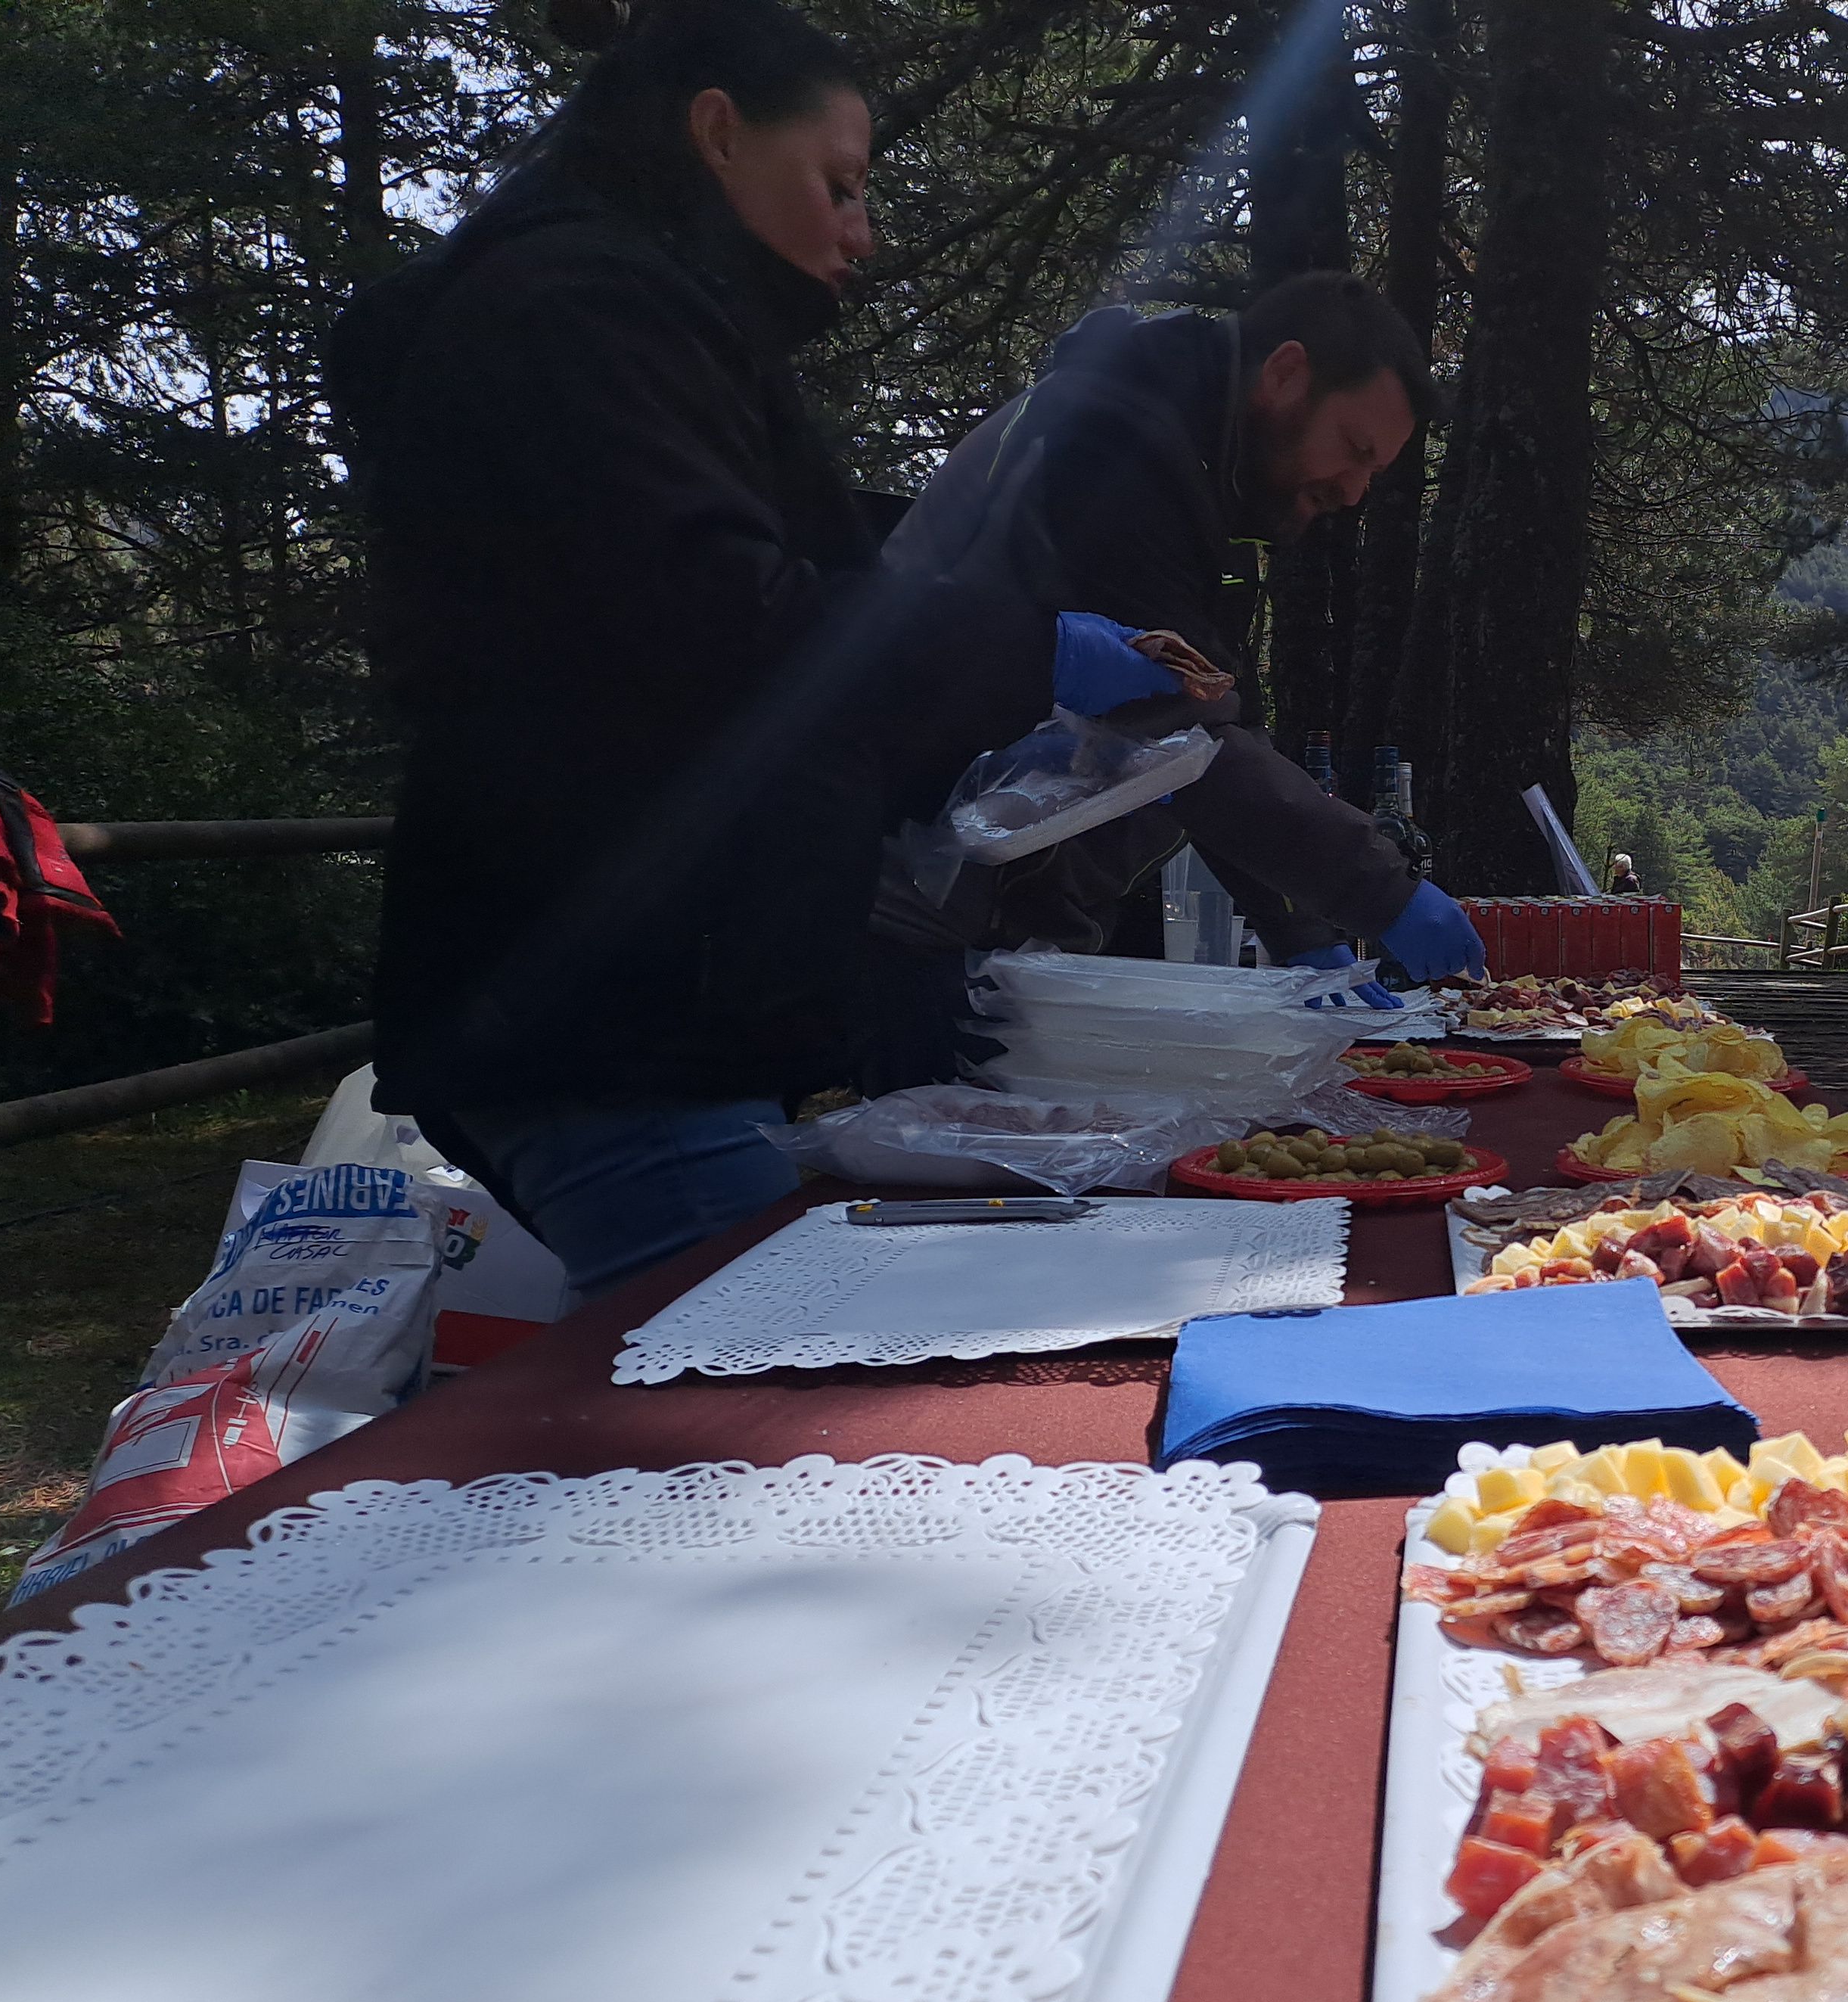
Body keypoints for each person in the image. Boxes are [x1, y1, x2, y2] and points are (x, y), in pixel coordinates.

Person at [328, 0, 1183, 1297]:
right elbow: (725, 624)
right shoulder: (573, 314)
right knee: (755, 1415)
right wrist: (1023, 651)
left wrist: (1013, 749)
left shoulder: (644, 323)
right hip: (607, 1022)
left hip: (655, 1013)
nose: (862, 231)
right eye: (837, 185)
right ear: (717, 134)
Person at [878, 271, 1488, 1002]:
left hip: (996, 911)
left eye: (1375, 472)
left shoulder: (1207, 487)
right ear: (1285, 373)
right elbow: (1175, 735)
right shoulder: (1112, 445)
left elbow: (1227, 722)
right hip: (907, 899)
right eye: (1355, 449)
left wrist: (1301, 934)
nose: (1355, 493)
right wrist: (1383, 893)